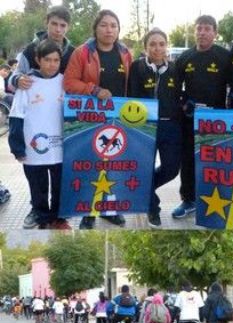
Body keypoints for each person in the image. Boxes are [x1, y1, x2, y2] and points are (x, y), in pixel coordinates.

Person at [64, 9, 131, 230]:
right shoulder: (82, 52)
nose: (109, 29)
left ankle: (110, 210)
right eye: (104, 25)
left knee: (115, 166)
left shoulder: (125, 53)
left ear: (119, 30)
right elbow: (69, 83)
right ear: (96, 28)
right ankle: (88, 212)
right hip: (90, 118)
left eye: (113, 25)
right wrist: (94, 89)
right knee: (91, 166)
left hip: (118, 120)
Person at [172, 15, 232, 219]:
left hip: (217, 123)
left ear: (215, 33)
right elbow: (174, 88)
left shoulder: (225, 57)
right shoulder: (184, 58)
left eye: (207, 29)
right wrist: (182, 104)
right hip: (190, 121)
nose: (202, 32)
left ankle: (216, 201)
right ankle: (188, 200)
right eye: (199, 29)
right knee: (188, 161)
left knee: (215, 163)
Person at [8, 39, 69, 229]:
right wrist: (17, 147)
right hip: (34, 149)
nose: (52, 64)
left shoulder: (65, 83)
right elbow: (16, 115)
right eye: (48, 60)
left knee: (60, 186)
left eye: (56, 60)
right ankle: (42, 217)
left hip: (59, 148)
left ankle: (58, 218)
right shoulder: (27, 84)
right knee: (38, 187)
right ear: (38, 59)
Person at [127, 28, 183, 228]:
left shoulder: (176, 68)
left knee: (171, 169)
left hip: (171, 126)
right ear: (145, 47)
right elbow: (132, 96)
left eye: (161, 44)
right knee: (144, 168)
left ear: (166, 46)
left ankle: (143, 189)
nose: (157, 48)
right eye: (152, 44)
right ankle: (153, 208)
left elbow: (180, 95)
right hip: (145, 127)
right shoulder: (137, 67)